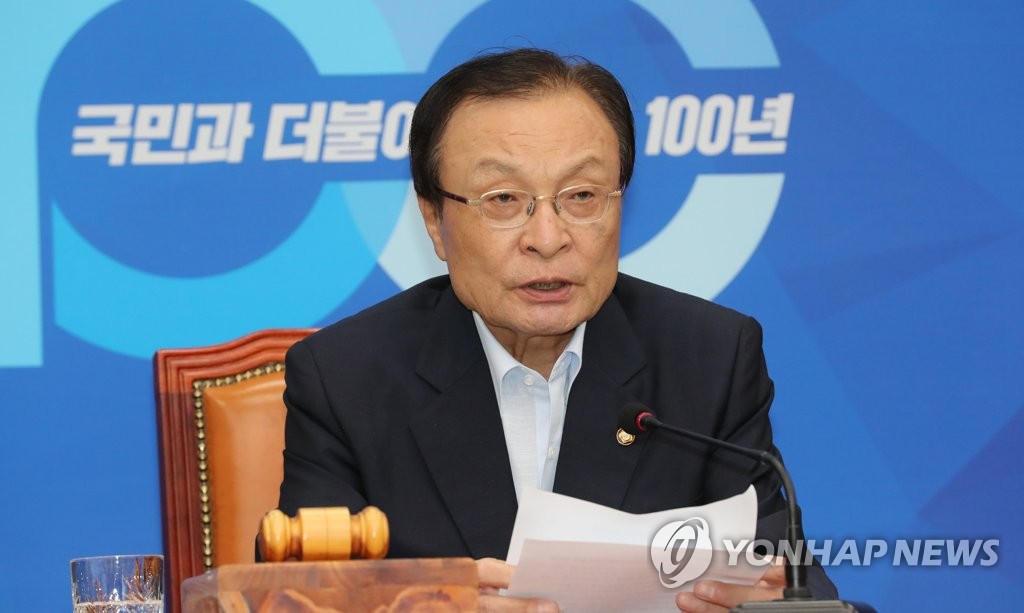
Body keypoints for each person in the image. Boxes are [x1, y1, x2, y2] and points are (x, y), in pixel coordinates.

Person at [276, 48, 836, 611]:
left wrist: (765, 603)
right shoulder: (345, 378)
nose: (547, 238)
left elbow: (790, 579)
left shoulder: (709, 358)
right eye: (503, 199)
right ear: (434, 222)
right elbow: (299, 596)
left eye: (582, 196)